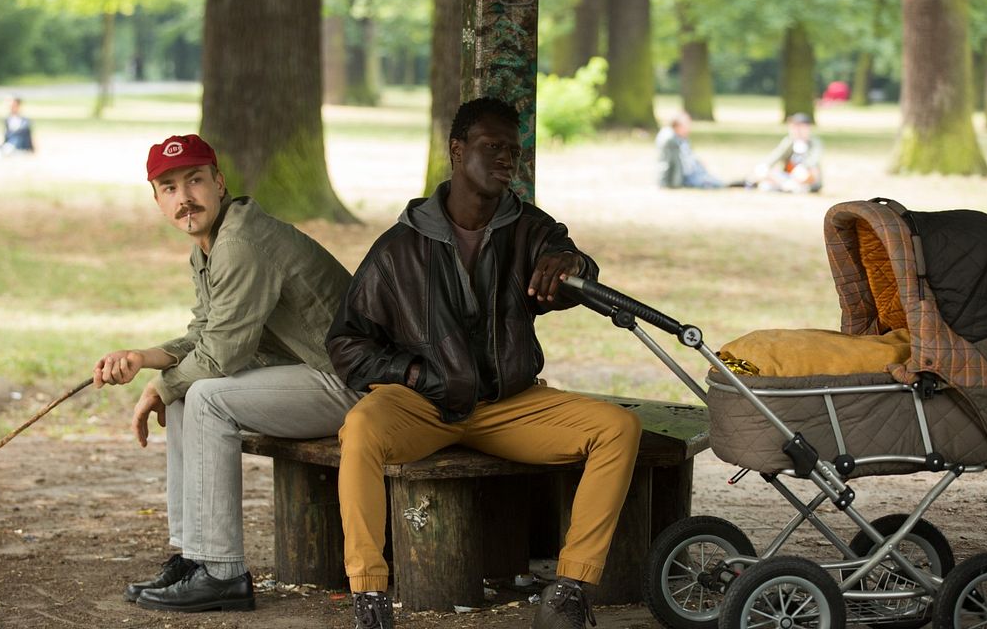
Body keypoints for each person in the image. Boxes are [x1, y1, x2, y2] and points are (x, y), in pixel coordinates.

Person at [326, 97, 642, 629]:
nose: (505, 161)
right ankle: (370, 596)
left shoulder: (530, 228)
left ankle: (570, 589)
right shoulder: (399, 246)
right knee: (359, 429)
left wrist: (573, 263)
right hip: (420, 406)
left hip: (508, 406)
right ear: (456, 150)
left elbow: (574, 264)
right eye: (491, 147)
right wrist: (410, 374)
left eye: (512, 152)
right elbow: (347, 342)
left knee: (618, 428)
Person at [92, 134, 362, 613]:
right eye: (169, 187)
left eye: (194, 180)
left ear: (219, 183)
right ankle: (195, 557)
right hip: (309, 374)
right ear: (157, 200)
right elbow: (206, 331)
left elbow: (221, 355)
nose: (184, 197)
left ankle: (221, 573)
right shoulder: (210, 244)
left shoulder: (240, 243)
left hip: (350, 384)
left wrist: (162, 383)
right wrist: (145, 359)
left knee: (204, 396)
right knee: (183, 392)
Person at [751, 112, 823, 193]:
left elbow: (814, 159)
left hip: (805, 175)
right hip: (789, 176)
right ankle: (787, 186)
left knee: (804, 172)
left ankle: (788, 186)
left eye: (800, 127)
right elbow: (777, 155)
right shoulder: (789, 141)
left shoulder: (814, 142)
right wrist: (766, 165)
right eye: (794, 127)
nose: (797, 130)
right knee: (763, 171)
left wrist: (803, 166)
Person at [655, 111, 724, 189]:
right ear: (677, 126)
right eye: (687, 125)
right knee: (718, 184)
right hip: (687, 177)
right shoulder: (671, 141)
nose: (689, 128)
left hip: (695, 173)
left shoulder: (682, 139)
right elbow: (670, 165)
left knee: (718, 182)